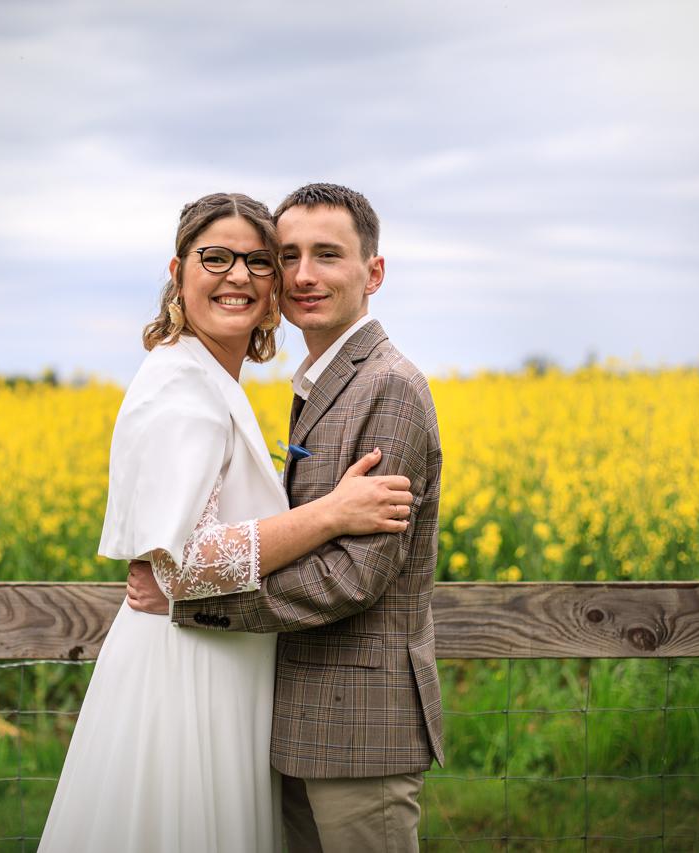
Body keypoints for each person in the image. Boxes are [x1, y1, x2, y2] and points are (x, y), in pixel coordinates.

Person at [37, 192, 415, 853]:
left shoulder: (215, 381)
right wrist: (328, 514)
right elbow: (179, 567)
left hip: (222, 673)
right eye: (216, 257)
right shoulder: (180, 387)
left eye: (257, 261)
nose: (238, 275)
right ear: (178, 271)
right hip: (184, 682)